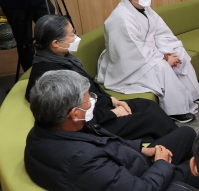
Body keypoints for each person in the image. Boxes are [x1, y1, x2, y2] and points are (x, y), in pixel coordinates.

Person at [24, 70, 198, 191]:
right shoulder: (82, 160)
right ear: (74, 114)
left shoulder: (48, 130)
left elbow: (107, 142)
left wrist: (142, 149)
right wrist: (162, 164)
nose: (92, 101)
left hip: (130, 172)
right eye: (88, 99)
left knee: (187, 134)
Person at [26, 15, 177, 143]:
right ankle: (180, 147)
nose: (76, 38)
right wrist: (115, 113)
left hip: (102, 107)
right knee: (152, 121)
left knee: (147, 105)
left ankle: (178, 140)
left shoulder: (63, 59)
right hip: (93, 125)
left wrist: (113, 101)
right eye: (71, 35)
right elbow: (78, 114)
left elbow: (90, 88)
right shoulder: (52, 76)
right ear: (56, 43)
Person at [97, 0, 199, 123]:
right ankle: (176, 110)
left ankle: (193, 94)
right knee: (162, 67)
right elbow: (133, 50)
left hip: (150, 52)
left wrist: (167, 52)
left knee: (179, 51)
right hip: (129, 61)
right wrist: (164, 58)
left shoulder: (145, 9)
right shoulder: (121, 18)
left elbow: (160, 32)